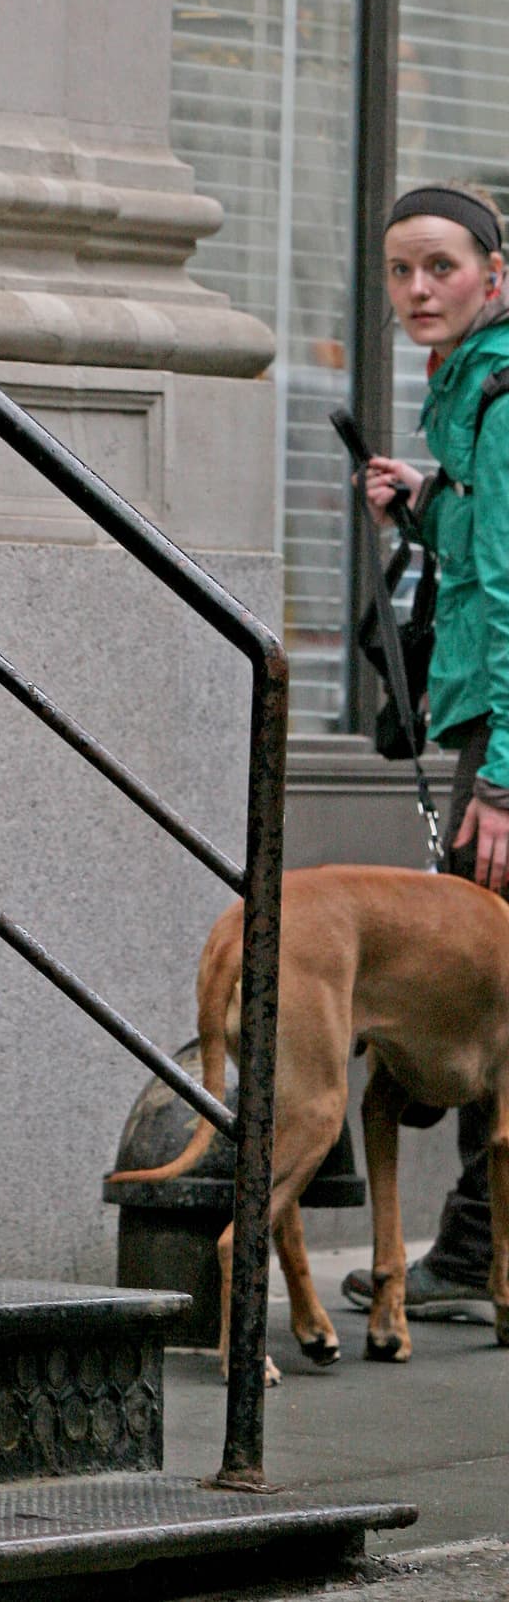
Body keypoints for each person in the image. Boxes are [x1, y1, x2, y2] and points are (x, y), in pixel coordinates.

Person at [340, 181, 509, 1319]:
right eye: (399, 270)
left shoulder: (498, 398)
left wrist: (498, 779)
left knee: (482, 994)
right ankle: (469, 1254)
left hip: (502, 741)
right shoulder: (473, 394)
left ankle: (468, 1258)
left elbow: (505, 590)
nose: (415, 290)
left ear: (494, 274)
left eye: (439, 266)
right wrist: (422, 500)